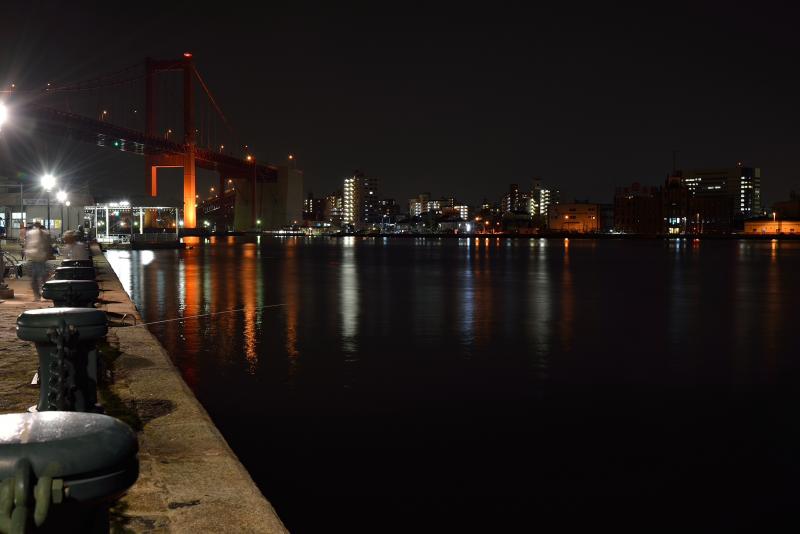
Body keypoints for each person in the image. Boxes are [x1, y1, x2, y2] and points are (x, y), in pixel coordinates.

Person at [24, 222, 51, 301]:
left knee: (41, 278)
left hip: (38, 258)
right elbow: (28, 244)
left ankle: (41, 295)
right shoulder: (33, 233)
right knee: (37, 278)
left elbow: (48, 245)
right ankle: (38, 295)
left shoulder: (43, 234)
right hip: (35, 258)